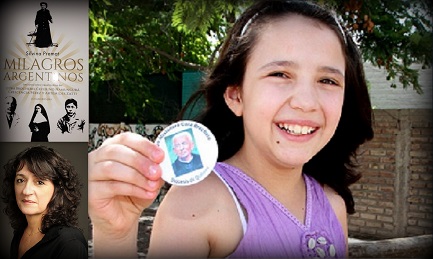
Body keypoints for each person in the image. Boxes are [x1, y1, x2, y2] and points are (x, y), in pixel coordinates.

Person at [88, 0, 374, 258]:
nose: (306, 102)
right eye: (279, 74)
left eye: (328, 81)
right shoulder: (196, 204)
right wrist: (115, 236)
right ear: (236, 95)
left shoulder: (333, 205)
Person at [1, 145, 87, 259]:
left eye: (40, 182)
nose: (26, 191)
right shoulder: (20, 233)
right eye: (20, 180)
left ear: (58, 189)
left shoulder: (70, 243)